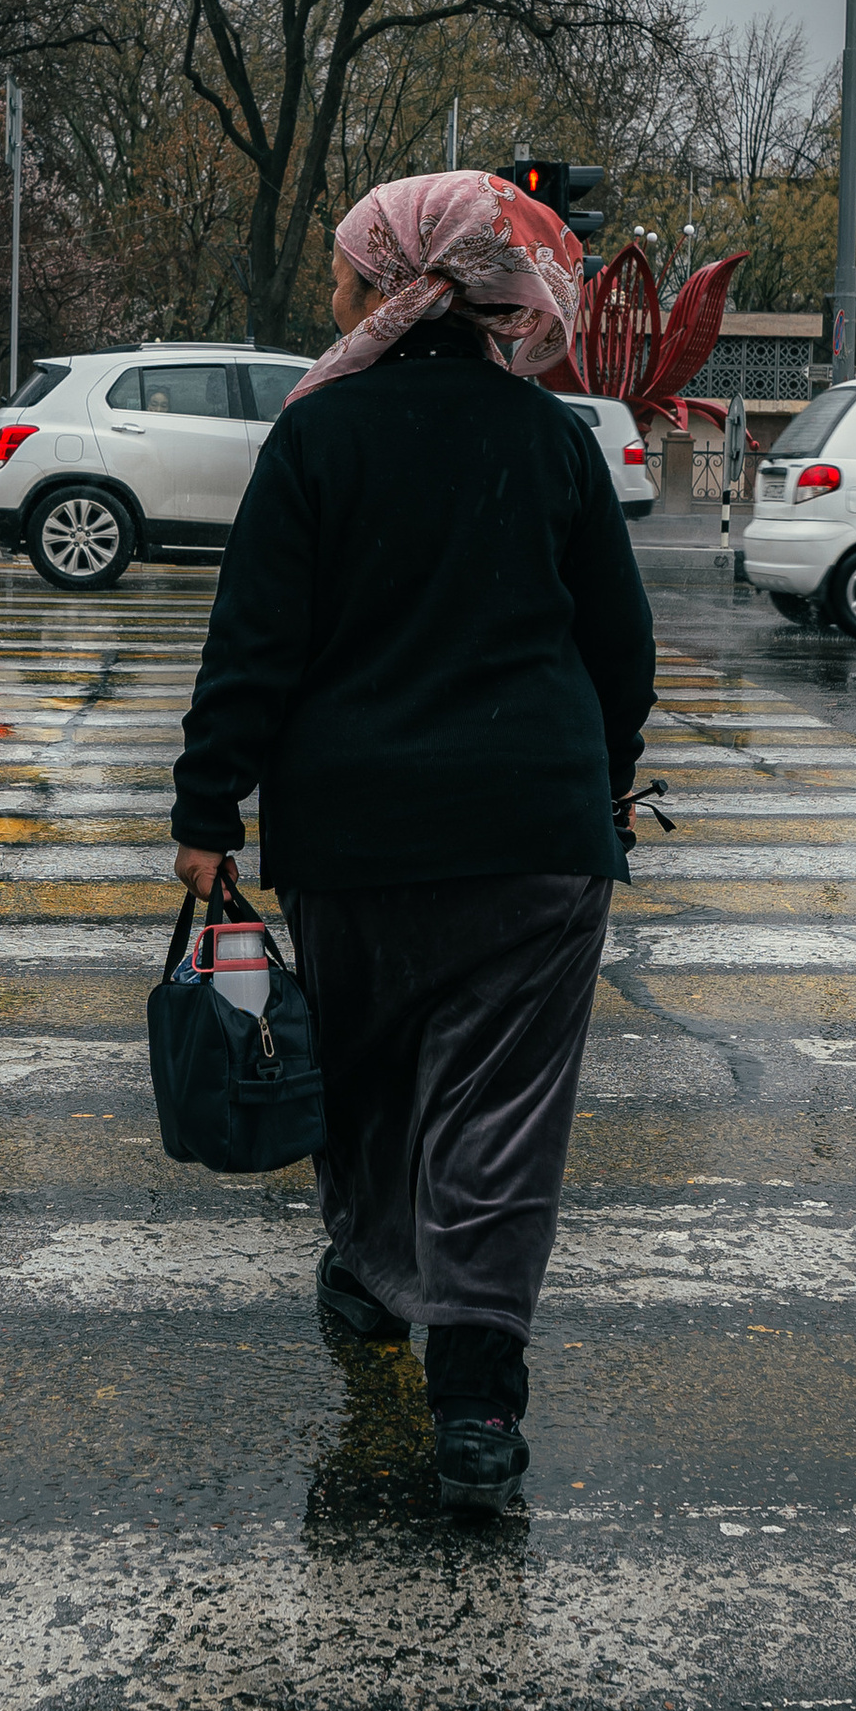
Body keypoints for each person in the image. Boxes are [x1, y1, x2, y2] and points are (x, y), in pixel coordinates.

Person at [169, 169, 655, 1513]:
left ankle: (374, 1275)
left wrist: (206, 816)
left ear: (390, 283)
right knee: (500, 1114)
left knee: (371, 1074)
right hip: (534, 834)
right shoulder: (549, 440)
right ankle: (478, 1399)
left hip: (353, 833)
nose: (330, 288)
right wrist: (605, 782)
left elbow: (254, 649)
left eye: (343, 268)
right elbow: (622, 651)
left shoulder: (318, 441)